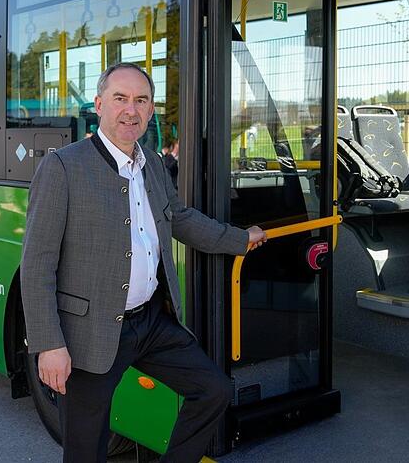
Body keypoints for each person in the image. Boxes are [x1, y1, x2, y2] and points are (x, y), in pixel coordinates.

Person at [21, 63, 267, 463]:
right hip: (90, 332)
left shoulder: (151, 161)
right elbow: (36, 264)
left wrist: (239, 239)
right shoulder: (63, 167)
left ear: (151, 110)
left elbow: (180, 219)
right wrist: (49, 344)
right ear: (99, 105)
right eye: (120, 99)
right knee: (86, 451)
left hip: (150, 322)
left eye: (141, 100)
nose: (130, 110)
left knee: (214, 391)